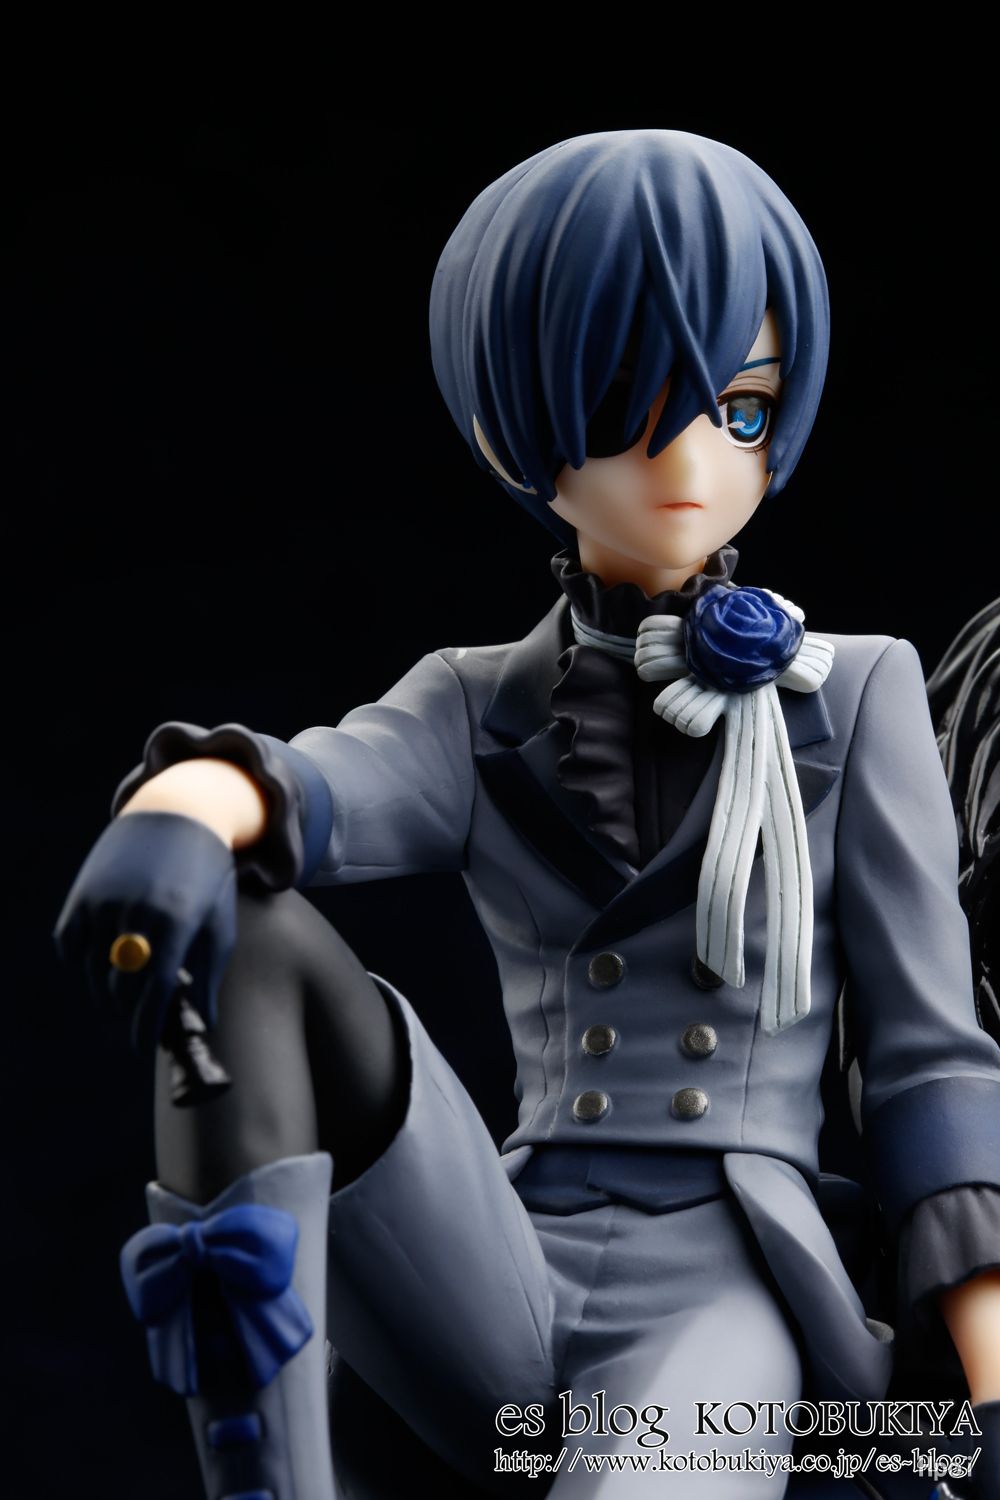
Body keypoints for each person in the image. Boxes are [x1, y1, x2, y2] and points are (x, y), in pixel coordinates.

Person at [56, 130, 1000, 1498]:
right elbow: (318, 784)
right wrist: (181, 813)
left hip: (725, 1288)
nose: (691, 456)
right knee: (250, 933)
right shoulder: (474, 702)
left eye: (739, 408)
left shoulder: (854, 693)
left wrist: (982, 1357)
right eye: (627, 404)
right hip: (498, 1258)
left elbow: (927, 1057)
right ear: (514, 432)